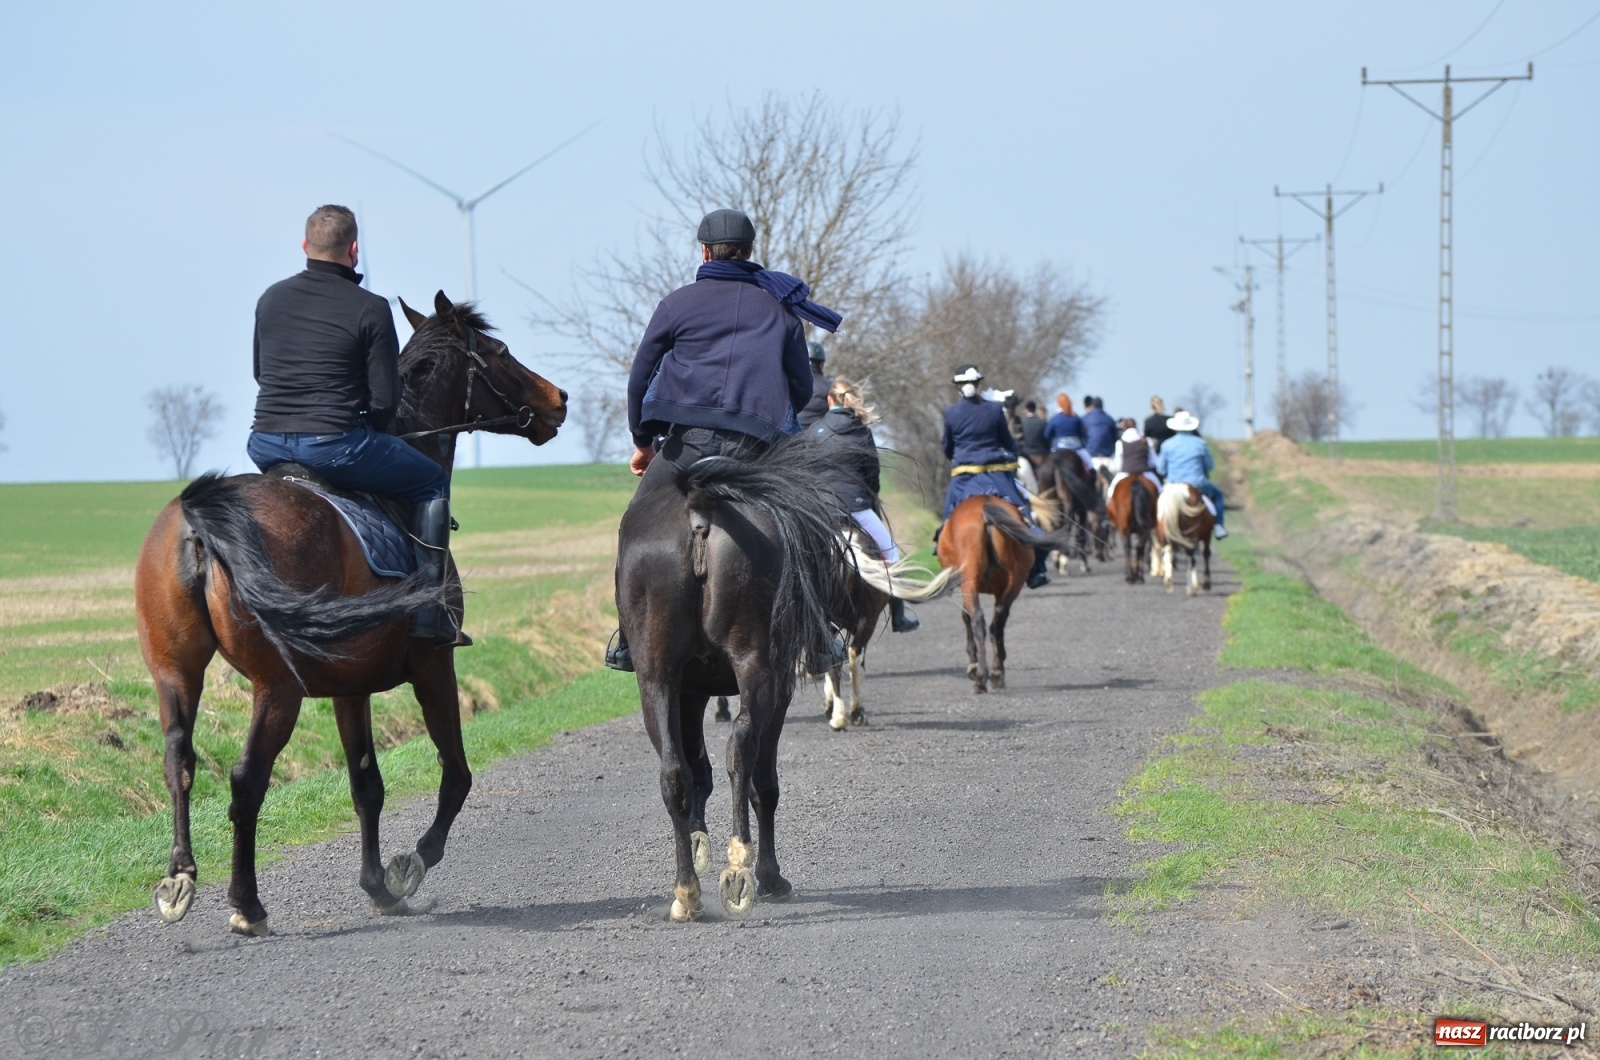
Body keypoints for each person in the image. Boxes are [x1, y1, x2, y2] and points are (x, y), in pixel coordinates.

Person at [606, 208, 841, 670]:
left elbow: (639, 378)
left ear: (704, 251)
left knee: (634, 524)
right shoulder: (780, 311)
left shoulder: (676, 304)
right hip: (757, 450)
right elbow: (802, 387)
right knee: (811, 524)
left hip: (684, 447)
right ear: (751, 251)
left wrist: (644, 441)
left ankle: (627, 638)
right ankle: (818, 634)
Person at [245, 204, 459, 643]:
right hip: (333, 445)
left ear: (305, 246)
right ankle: (431, 612)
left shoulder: (270, 299)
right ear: (354, 250)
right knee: (430, 481)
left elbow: (260, 373)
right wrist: (373, 434)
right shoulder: (372, 308)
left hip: (264, 444)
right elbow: (384, 400)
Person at [808, 377, 919, 632]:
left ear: (829, 401)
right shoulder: (863, 431)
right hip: (857, 508)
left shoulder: (815, 430)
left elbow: (809, 471)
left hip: (823, 510)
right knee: (892, 555)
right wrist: (869, 498)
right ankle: (899, 616)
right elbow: (872, 473)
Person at [939, 365, 1050, 589]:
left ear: (959, 387)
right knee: (1025, 516)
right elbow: (1007, 442)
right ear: (979, 384)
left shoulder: (950, 413)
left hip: (964, 478)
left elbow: (948, 448)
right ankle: (1037, 569)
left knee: (947, 522)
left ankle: (948, 567)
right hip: (996, 475)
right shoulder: (993, 409)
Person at [1154, 410, 1228, 538]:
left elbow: (1161, 469)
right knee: (1218, 495)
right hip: (1197, 483)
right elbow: (1209, 465)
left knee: (1158, 501)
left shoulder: (1167, 444)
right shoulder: (1200, 443)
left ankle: (1157, 526)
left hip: (1173, 485)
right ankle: (1218, 526)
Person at [1043, 393, 1091, 473]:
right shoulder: (1076, 418)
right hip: (1077, 450)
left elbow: (1046, 435)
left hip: (1059, 449)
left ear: (1059, 404)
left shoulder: (1055, 419)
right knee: (1091, 467)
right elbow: (1083, 435)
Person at [1113, 426, 1162, 495]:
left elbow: (1118, 465)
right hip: (1145, 473)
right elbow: (1153, 462)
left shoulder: (1120, 443)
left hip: (1125, 473)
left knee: (1111, 493)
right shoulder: (1147, 441)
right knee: (1160, 491)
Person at [796, 340, 832, 429]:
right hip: (818, 438)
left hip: (790, 437)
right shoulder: (830, 386)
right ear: (822, 364)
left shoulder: (790, 382)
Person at [1082, 395, 1118, 474]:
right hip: (1108, 457)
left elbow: (1082, 437)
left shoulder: (1085, 419)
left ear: (1093, 406)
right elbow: (1115, 437)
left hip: (1091, 456)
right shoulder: (1109, 419)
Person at [1018, 399, 1049, 470]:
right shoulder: (1042, 423)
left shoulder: (1021, 422)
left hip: (1026, 454)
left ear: (1026, 409)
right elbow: (1046, 438)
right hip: (1041, 453)